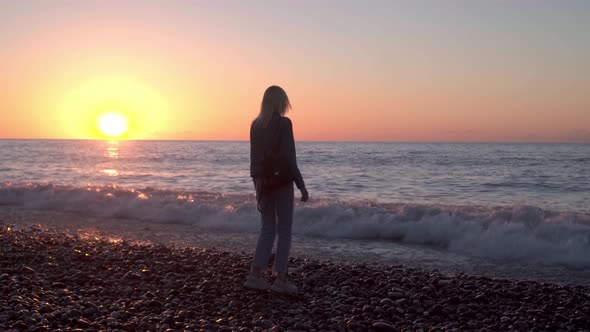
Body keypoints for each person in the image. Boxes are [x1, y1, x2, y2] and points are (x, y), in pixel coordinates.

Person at [244, 85, 309, 294]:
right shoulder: (284, 123)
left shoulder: (255, 125)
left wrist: (258, 182)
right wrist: (301, 184)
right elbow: (290, 157)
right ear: (281, 102)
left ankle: (255, 275)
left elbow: (254, 158)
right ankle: (280, 277)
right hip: (281, 182)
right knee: (284, 229)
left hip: (262, 181)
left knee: (267, 228)